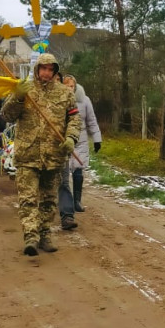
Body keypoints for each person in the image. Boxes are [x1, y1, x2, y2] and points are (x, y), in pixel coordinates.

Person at [1, 52, 81, 255]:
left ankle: (45, 234)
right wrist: (18, 97)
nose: (46, 73)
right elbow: (6, 115)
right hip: (28, 155)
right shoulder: (25, 91)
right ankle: (31, 236)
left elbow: (74, 119)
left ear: (55, 72)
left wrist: (71, 138)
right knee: (28, 199)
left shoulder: (65, 93)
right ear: (37, 69)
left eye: (50, 69)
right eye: (43, 69)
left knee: (48, 200)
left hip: (54, 156)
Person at [60, 74, 102, 219]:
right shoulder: (58, 100)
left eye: (71, 86)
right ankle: (64, 202)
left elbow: (91, 120)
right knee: (63, 174)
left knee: (78, 169)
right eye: (66, 86)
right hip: (63, 140)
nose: (69, 89)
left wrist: (97, 139)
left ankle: (77, 200)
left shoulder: (84, 101)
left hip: (81, 139)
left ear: (75, 87)